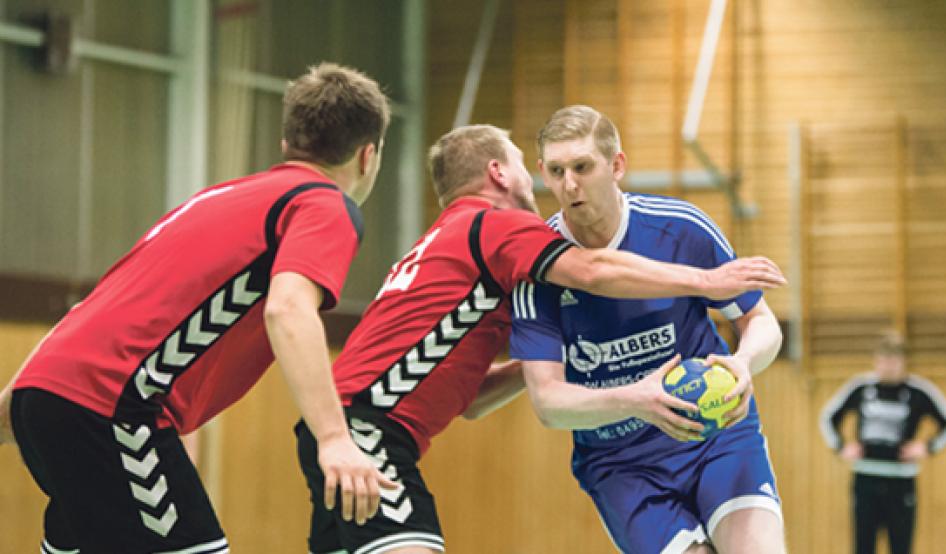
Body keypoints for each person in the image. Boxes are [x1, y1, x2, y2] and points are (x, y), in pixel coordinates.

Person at [293, 124, 787, 554]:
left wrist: (546, 363)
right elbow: (592, 270)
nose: (552, 183)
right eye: (536, 168)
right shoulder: (496, 226)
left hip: (333, 423)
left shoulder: (442, 244)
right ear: (499, 173)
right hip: (366, 430)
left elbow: (466, 400)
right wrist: (705, 281)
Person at [0, 62, 395, 554]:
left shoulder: (212, 199)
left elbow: (103, 305)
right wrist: (334, 437)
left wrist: (17, 403)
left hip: (45, 400)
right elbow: (288, 310)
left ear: (286, 145)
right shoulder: (323, 205)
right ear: (367, 157)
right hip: (114, 412)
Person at [509, 105, 787, 554]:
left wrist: (742, 363)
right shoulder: (535, 270)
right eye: (557, 171)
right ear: (541, 172)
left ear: (617, 164)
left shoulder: (680, 228)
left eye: (582, 167)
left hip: (715, 435)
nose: (570, 185)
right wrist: (637, 399)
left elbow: (761, 321)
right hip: (620, 463)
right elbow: (548, 402)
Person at [819, 330, 946, 554]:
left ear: (903, 362)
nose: (888, 365)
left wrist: (927, 446)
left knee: (901, 546)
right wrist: (841, 446)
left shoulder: (918, 391)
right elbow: (828, 416)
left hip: (901, 482)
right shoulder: (861, 388)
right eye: (883, 359)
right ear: (876, 360)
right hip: (865, 479)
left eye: (894, 359)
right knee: (863, 546)